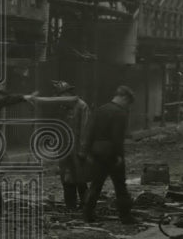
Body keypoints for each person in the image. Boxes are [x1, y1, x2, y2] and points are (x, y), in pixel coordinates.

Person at [82, 85, 135, 223]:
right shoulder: (120, 113)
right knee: (120, 185)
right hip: (111, 152)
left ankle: (87, 214)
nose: (128, 105)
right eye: (128, 102)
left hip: (96, 151)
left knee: (96, 184)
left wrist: (87, 152)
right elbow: (117, 136)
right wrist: (119, 155)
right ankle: (125, 216)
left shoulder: (100, 110)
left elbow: (89, 132)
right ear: (124, 97)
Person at [51, 80, 92, 212]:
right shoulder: (62, 108)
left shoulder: (81, 106)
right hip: (64, 149)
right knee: (66, 178)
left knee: (80, 178)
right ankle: (71, 207)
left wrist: (82, 150)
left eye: (61, 96)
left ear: (68, 93)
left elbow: (85, 129)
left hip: (77, 149)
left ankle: (87, 205)